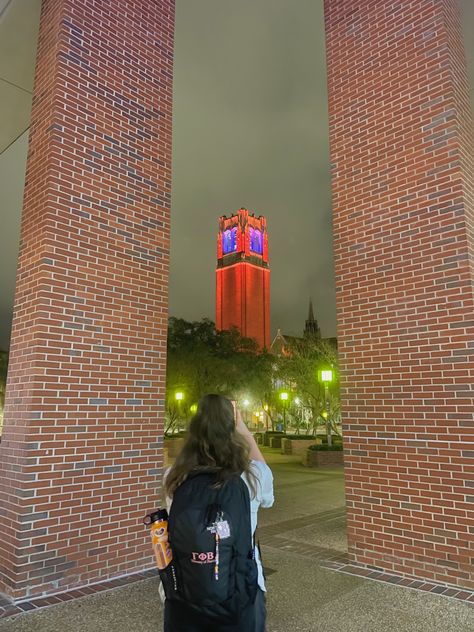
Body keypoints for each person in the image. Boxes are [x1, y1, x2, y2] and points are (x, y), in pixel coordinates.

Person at [163, 394, 274, 632]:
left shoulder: (174, 476)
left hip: (185, 590)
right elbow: (268, 498)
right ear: (231, 427)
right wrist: (244, 430)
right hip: (242, 591)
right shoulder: (253, 477)